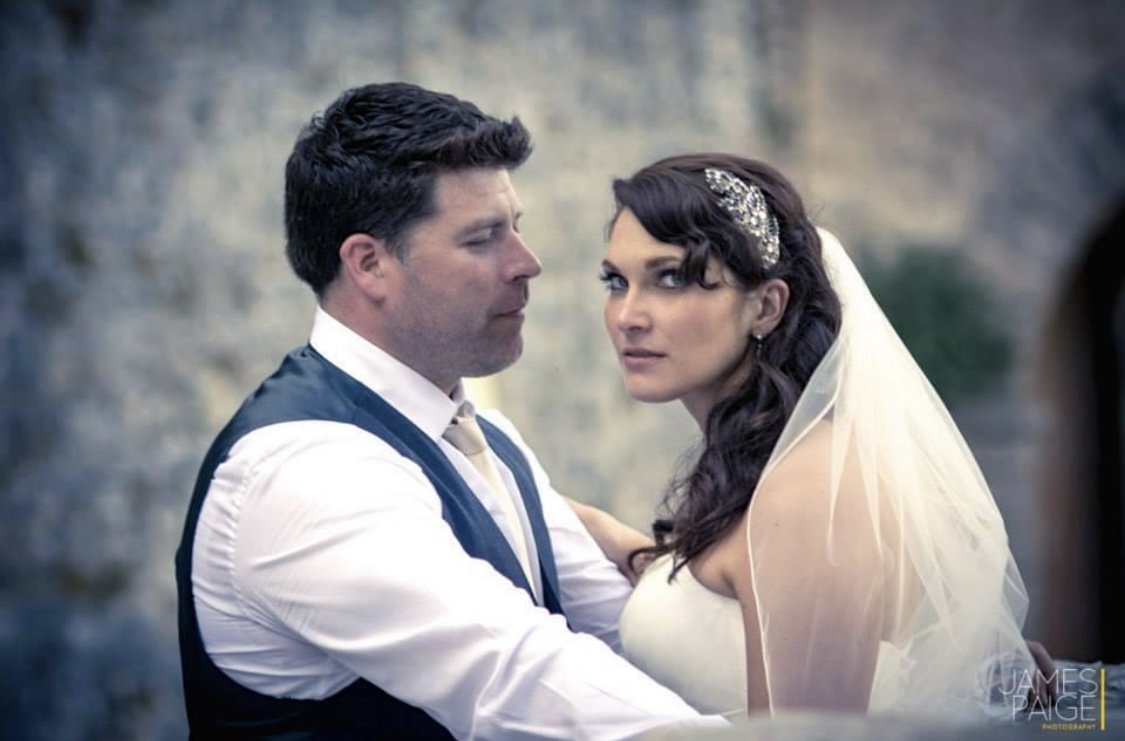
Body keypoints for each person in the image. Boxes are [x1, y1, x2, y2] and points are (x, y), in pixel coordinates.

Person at [174, 83, 729, 739]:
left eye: (515, 227)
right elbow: (517, 675)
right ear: (369, 264)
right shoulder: (304, 470)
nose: (527, 263)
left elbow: (627, 634)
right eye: (482, 238)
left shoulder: (484, 434)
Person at [569, 153, 1053, 721]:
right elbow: (720, 607)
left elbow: (804, 736)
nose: (627, 315)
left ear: (766, 307)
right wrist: (600, 531)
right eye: (616, 281)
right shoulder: (762, 466)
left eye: (671, 278)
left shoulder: (809, 486)